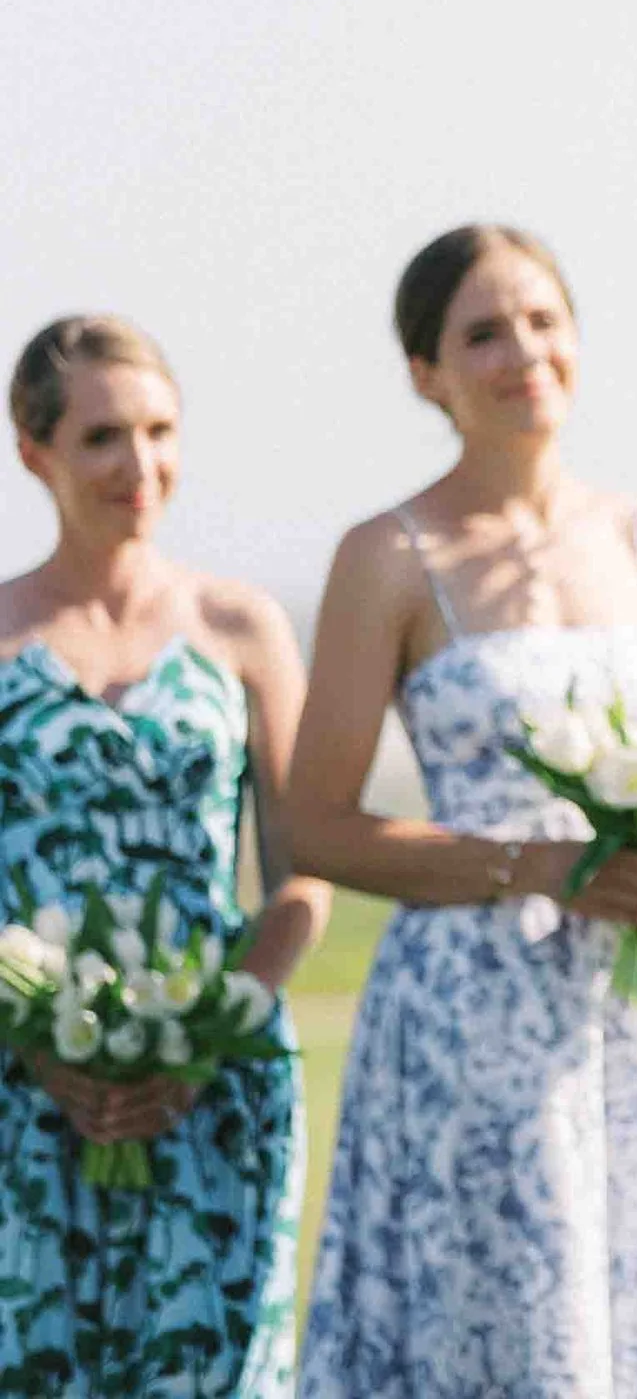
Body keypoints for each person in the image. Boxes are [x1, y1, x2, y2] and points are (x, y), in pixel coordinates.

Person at [289, 225, 637, 1397]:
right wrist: (535, 865)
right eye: (483, 332)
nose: (524, 352)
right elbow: (312, 825)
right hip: (468, 1021)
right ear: (426, 373)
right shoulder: (386, 556)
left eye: (545, 320)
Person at [0, 315, 329, 1396]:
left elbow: (302, 870)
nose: (140, 465)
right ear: (32, 447)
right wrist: (41, 1041)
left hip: (219, 1079)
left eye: (159, 430)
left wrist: (202, 1038)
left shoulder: (241, 626)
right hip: (22, 1090)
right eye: (101, 437)